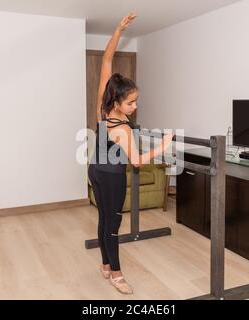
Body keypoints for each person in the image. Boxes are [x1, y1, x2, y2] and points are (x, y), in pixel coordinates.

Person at [87, 12, 174, 295]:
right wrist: (163, 146)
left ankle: (103, 266)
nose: (135, 106)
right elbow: (136, 161)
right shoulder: (122, 129)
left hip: (94, 170)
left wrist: (118, 30)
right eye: (132, 103)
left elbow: (107, 60)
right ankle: (117, 275)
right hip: (111, 177)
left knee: (103, 219)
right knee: (113, 225)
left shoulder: (103, 105)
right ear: (119, 102)